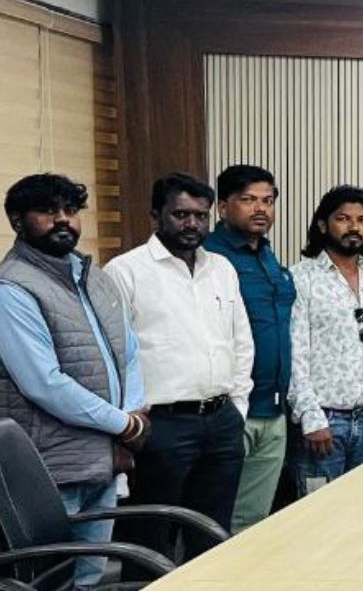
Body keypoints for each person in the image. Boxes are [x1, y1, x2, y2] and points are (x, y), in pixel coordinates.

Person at [0, 174, 145, 590]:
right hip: (51, 465)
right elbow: (43, 383)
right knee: (53, 580)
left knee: (92, 576)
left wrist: (133, 416)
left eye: (70, 210)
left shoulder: (94, 277)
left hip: (103, 457)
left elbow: (128, 352)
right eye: (48, 211)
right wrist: (125, 424)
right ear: (17, 221)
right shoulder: (12, 287)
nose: (63, 219)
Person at [106, 173, 251, 549]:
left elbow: (241, 342)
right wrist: (128, 427)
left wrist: (237, 407)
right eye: (180, 214)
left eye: (200, 216)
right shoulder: (125, 271)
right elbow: (114, 355)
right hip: (161, 426)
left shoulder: (221, 268)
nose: (192, 224)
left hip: (221, 421)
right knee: (152, 539)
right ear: (156, 215)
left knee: (214, 536)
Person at [203, 164, 294, 533]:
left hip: (274, 409)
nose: (261, 209)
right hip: (230, 409)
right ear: (223, 207)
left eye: (268, 201)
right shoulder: (208, 258)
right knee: (212, 521)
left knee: (254, 521)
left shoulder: (269, 257)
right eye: (249, 200)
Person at [287, 185, 363, 495]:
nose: (354, 227)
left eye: (362, 220)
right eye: (343, 219)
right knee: (319, 513)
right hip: (324, 419)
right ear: (323, 224)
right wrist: (310, 416)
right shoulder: (301, 278)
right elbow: (295, 353)